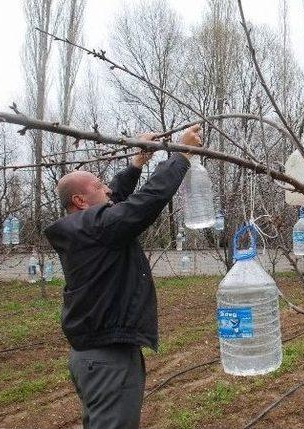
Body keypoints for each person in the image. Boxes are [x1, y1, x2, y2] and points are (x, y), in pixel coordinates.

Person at [44, 125, 202, 429]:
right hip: (107, 360)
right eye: (99, 185)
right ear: (80, 200)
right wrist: (180, 156)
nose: (108, 189)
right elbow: (144, 204)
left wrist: (138, 162)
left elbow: (115, 199)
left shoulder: (85, 227)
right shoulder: (96, 227)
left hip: (94, 357)